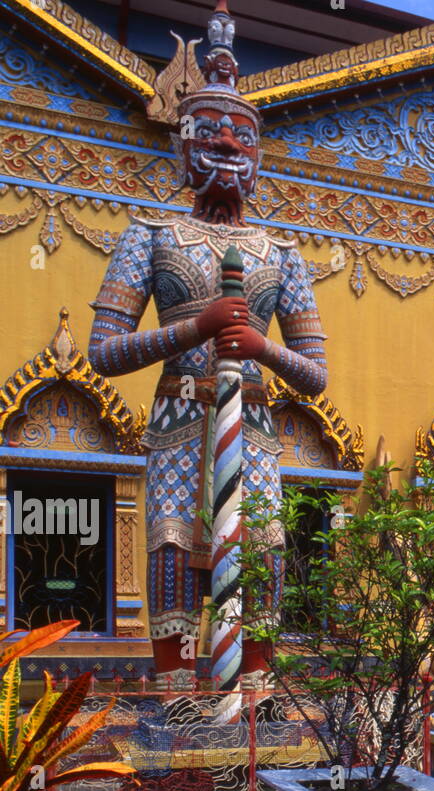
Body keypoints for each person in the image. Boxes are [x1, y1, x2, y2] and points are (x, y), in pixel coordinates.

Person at [87, 0, 327, 691]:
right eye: (211, 134)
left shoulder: (280, 252)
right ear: (183, 146)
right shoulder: (151, 235)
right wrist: (194, 327)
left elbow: (316, 377)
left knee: (262, 548)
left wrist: (260, 345)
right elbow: (104, 352)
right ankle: (174, 686)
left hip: (250, 422)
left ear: (257, 156)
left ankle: (253, 683)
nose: (228, 147)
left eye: (241, 139)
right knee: (170, 541)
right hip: (176, 416)